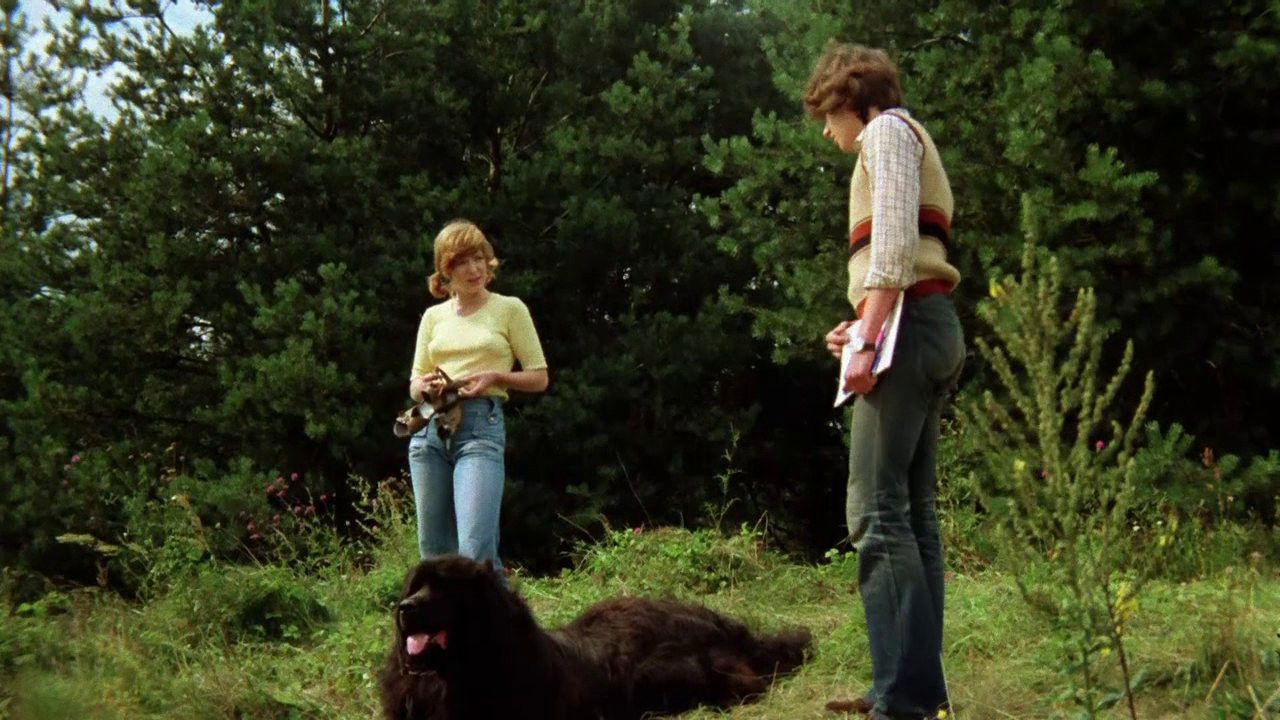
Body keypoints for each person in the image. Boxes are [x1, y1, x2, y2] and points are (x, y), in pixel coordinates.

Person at [804, 44, 966, 720]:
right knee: (912, 515)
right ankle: (914, 690)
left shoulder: (887, 133)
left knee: (874, 513)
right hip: (923, 322)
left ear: (855, 101)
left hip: (909, 329)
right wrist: (862, 323)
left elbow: (895, 248)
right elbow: (907, 260)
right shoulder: (903, 137)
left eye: (828, 114)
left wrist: (868, 339)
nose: (826, 130)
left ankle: (902, 698)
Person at [406, 219, 548, 575]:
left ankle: (496, 614)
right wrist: (425, 386)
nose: (474, 269)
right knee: (434, 555)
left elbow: (539, 377)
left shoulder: (509, 308)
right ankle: (445, 615)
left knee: (476, 554)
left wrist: (496, 377)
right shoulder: (433, 317)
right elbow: (414, 382)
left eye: (479, 259)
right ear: (445, 270)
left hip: (480, 428)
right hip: (429, 430)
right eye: (462, 262)